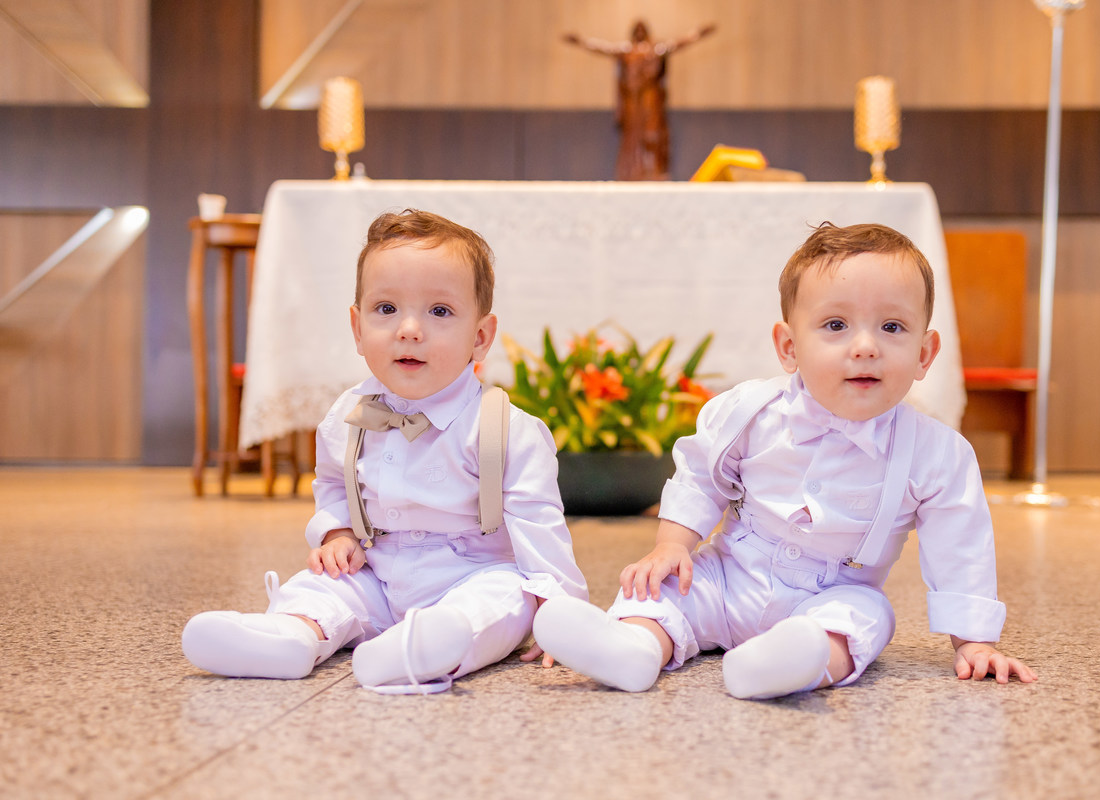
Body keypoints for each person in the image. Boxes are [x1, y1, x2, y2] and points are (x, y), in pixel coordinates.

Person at [534, 222, 1037, 698]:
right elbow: (700, 475)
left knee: (864, 619)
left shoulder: (938, 453)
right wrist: (673, 544)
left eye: (892, 326)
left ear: (926, 354)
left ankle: (791, 665)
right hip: (729, 575)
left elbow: (960, 544)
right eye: (836, 325)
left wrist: (973, 641)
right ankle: (633, 647)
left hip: (834, 592)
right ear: (789, 346)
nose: (865, 347)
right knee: (664, 591)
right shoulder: (749, 412)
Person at [183, 209, 587, 693]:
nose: (409, 329)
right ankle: (291, 635)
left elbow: (538, 522)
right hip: (376, 568)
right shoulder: (347, 416)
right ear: (357, 328)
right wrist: (337, 534)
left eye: (439, 311)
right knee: (324, 587)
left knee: (504, 600)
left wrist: (558, 610)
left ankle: (431, 647)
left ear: (480, 337)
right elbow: (333, 484)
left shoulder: (505, 428)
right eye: (386, 309)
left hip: (471, 571)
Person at [563, 19, 716, 181]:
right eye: (637, 29)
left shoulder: (656, 49)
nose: (640, 32)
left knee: (653, 136)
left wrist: (697, 34)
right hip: (632, 102)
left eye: (643, 29)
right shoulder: (627, 51)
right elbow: (604, 48)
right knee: (632, 138)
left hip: (650, 100)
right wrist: (581, 41)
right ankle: (632, 171)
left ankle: (654, 170)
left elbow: (678, 43)